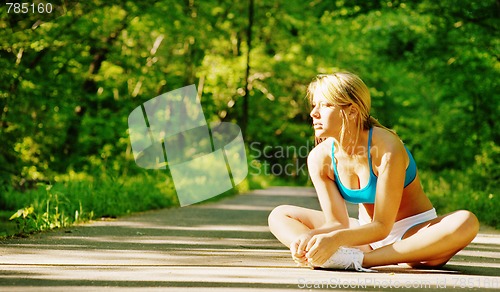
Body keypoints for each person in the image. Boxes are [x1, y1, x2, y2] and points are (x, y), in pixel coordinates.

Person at [268, 72, 479, 271]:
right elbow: (337, 223)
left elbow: (382, 226)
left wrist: (337, 240)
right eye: (315, 105)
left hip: (413, 236)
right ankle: (325, 255)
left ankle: (358, 260)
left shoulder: (387, 147)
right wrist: (312, 239)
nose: (314, 113)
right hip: (363, 237)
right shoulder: (319, 157)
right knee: (279, 215)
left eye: (325, 105)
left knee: (466, 222)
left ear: (351, 111)